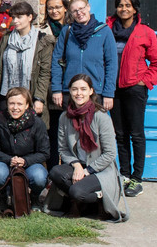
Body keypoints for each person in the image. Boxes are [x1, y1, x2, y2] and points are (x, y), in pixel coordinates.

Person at [46, 74, 128, 221]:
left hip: (101, 169)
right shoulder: (65, 117)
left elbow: (110, 154)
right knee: (55, 172)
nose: (79, 93)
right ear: (69, 91)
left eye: (83, 89)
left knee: (77, 191)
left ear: (91, 91)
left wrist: (87, 171)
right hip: (79, 165)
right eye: (75, 89)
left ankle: (98, 199)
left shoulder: (102, 117)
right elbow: (63, 149)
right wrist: (77, 166)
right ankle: (84, 202)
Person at [107, 0, 157, 197]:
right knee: (120, 134)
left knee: (136, 134)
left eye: (128, 5)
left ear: (135, 9)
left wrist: (145, 82)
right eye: (120, 5)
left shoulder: (145, 32)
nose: (124, 9)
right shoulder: (107, 29)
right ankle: (124, 174)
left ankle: (137, 178)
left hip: (134, 89)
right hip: (113, 90)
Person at [0, 87, 49, 212]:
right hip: (5, 160)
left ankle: (35, 198)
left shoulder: (37, 123)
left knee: (39, 177)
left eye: (20, 104)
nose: (15, 108)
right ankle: (2, 198)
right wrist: (10, 159)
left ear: (27, 105)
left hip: (30, 162)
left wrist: (24, 161)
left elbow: (44, 152)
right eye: (12, 103)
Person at [0, 1, 54, 119]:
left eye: (19, 17)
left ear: (30, 17)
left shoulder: (42, 41)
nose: (15, 21)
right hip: (7, 95)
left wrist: (39, 98)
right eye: (13, 17)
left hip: (30, 95)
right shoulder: (6, 39)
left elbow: (44, 73)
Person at [51, 0, 118, 111]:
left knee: (94, 127)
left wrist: (109, 93)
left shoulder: (104, 31)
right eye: (74, 11)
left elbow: (112, 64)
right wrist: (56, 89)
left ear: (88, 7)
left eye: (81, 8)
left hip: (96, 92)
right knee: (70, 127)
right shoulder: (67, 31)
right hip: (71, 92)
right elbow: (56, 60)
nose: (79, 13)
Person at [42, 0, 71, 167]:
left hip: (69, 86)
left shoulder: (74, 29)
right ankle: (52, 170)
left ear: (65, 8)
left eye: (58, 7)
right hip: (49, 87)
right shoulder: (43, 30)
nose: (54, 11)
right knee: (52, 131)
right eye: (50, 8)